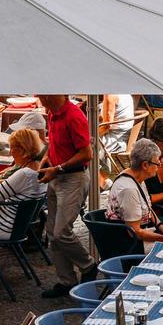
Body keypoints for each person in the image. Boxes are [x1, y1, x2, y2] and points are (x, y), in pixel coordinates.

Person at [37, 94, 97, 297]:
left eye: (42, 94)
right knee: (53, 232)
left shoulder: (73, 115)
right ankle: (66, 280)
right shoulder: (52, 113)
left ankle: (88, 265)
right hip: (57, 176)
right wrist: (46, 159)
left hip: (72, 178)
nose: (39, 98)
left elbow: (86, 154)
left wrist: (58, 168)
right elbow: (54, 144)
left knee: (62, 231)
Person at [105, 138, 163, 252]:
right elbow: (135, 232)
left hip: (143, 235)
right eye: (157, 163)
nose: (159, 166)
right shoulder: (129, 190)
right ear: (145, 165)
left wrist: (162, 227)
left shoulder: (137, 178)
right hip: (131, 245)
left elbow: (148, 208)